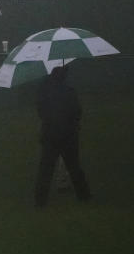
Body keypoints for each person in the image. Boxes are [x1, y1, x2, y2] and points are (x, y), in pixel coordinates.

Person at [34, 65, 91, 208]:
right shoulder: (70, 92)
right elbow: (77, 112)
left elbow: (40, 111)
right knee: (74, 166)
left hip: (50, 135)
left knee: (46, 169)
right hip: (68, 135)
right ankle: (83, 195)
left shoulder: (45, 93)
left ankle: (40, 200)